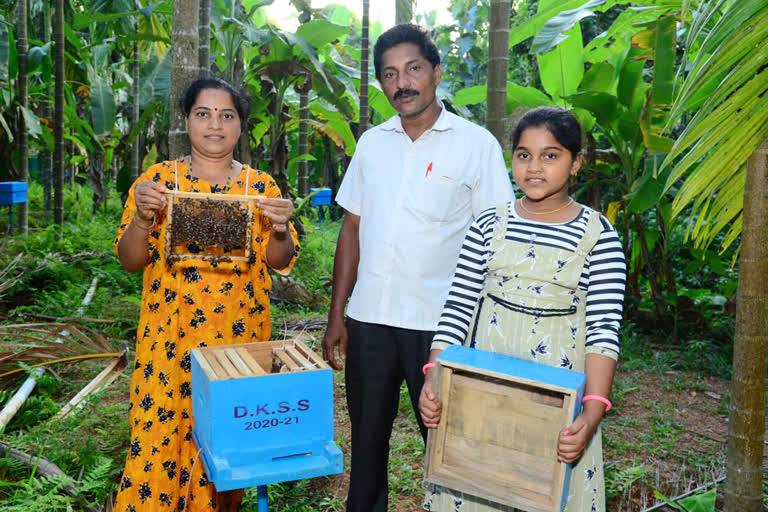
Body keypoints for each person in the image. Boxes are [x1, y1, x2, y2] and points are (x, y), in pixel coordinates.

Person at [321, 24, 514, 512]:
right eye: (390, 74)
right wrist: (337, 314)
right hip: (369, 322)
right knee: (365, 448)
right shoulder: (371, 144)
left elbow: (497, 240)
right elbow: (352, 230)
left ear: (436, 73)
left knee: (449, 448)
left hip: (440, 327)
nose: (402, 82)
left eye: (413, 69)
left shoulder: (476, 146)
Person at [418, 106, 627, 512]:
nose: (535, 167)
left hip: (556, 401)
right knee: (479, 483)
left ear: (576, 162)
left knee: (544, 491)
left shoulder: (599, 237)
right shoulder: (487, 225)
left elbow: (603, 331)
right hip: (481, 391)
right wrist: (434, 379)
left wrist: (591, 413)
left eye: (551, 155)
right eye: (523, 154)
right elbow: (457, 309)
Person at [113, 76, 299, 511]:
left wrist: (279, 226)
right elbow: (129, 259)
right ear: (186, 121)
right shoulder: (157, 182)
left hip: (236, 346)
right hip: (167, 344)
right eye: (203, 113)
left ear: (239, 126)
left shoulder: (260, 187)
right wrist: (142, 218)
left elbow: (278, 258)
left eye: (227, 115)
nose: (215, 124)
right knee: (158, 443)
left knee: (224, 451)